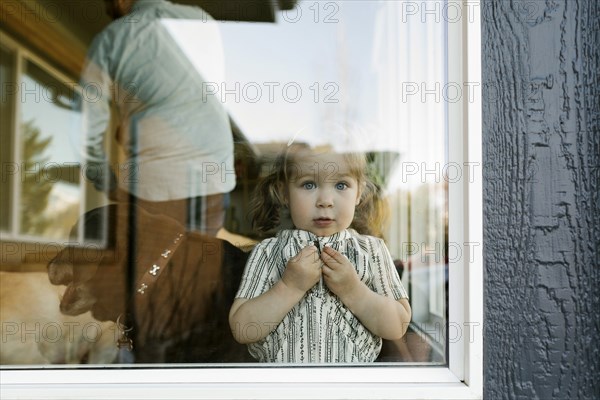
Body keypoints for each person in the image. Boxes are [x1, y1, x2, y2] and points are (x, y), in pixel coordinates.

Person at [229, 142, 411, 362]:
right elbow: (242, 329)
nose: (325, 201)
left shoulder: (372, 251)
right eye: (308, 185)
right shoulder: (267, 252)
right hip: (281, 388)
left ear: (359, 193)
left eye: (342, 185)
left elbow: (397, 326)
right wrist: (289, 287)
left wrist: (353, 291)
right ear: (284, 192)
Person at [80, 0, 235, 236]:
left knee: (153, 268)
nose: (106, 8)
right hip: (214, 176)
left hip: (157, 182)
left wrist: (108, 185)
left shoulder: (111, 38)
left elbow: (85, 129)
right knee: (197, 265)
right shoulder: (203, 20)